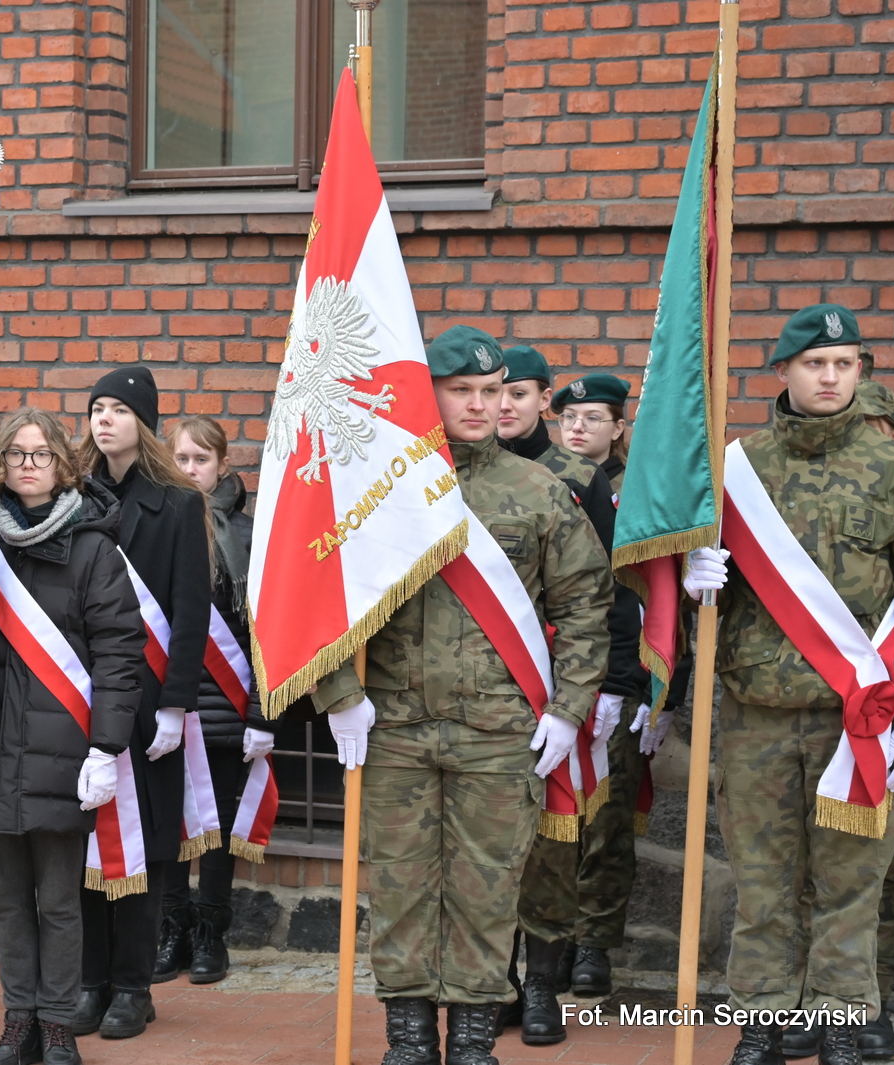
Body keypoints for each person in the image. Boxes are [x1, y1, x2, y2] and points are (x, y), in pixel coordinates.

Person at [311, 326, 612, 1065]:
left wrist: (571, 708)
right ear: (428, 393)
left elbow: (585, 605)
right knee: (403, 888)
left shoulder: (542, 489)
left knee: (486, 887)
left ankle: (474, 1036)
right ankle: (409, 1037)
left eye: (496, 391)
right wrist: (339, 691)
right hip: (394, 724)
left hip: (500, 731)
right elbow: (319, 593)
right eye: (464, 391)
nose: (483, 405)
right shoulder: (374, 487)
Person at [685, 305, 894, 1065]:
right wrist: (695, 584)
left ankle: (843, 1019)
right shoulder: (738, 468)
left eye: (846, 364)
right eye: (816, 364)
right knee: (763, 880)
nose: (832, 377)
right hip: (757, 716)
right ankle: (766, 1022)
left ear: (860, 374)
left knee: (851, 883)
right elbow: (707, 609)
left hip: (861, 718)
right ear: (782, 372)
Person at [0, 406, 143, 1065]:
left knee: (60, 901)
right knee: (6, 900)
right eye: (15, 454)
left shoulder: (93, 546)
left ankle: (58, 1021)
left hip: (66, 752)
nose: (28, 465)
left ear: (64, 463)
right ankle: (18, 1020)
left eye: (41, 454)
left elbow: (122, 652)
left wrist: (106, 745)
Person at [492, 345, 630, 1046]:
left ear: (543, 401)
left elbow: (613, 592)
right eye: (495, 393)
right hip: (483, 690)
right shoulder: (448, 476)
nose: (505, 405)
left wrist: (613, 687)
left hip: (561, 688)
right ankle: (498, 980)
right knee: (487, 846)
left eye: (519, 393)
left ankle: (542, 980)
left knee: (553, 839)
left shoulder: (579, 477)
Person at [75, 368, 211, 1039]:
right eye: (96, 408)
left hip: (151, 697)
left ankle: (132, 986)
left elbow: (190, 614)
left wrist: (176, 704)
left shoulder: (178, 502)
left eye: (119, 409)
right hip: (82, 695)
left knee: (147, 846)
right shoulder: (73, 494)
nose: (104, 420)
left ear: (144, 421)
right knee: (85, 843)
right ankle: (91, 980)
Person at [552, 373, 688, 1004]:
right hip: (551, 684)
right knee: (551, 821)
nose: (577, 427)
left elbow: (665, 604)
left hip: (625, 683)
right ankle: (547, 940)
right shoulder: (542, 482)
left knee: (606, 821)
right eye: (569, 417)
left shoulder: (643, 496)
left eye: (592, 417)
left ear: (619, 428)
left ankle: (593, 943)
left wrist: (667, 694)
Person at [154, 415, 274, 986]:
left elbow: (265, 636)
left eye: (202, 459)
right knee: (168, 822)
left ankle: (210, 933)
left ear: (223, 465)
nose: (192, 469)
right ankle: (171, 926)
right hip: (167, 705)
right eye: (181, 459)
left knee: (219, 827)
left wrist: (261, 715)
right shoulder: (156, 525)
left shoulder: (249, 536)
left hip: (226, 704)